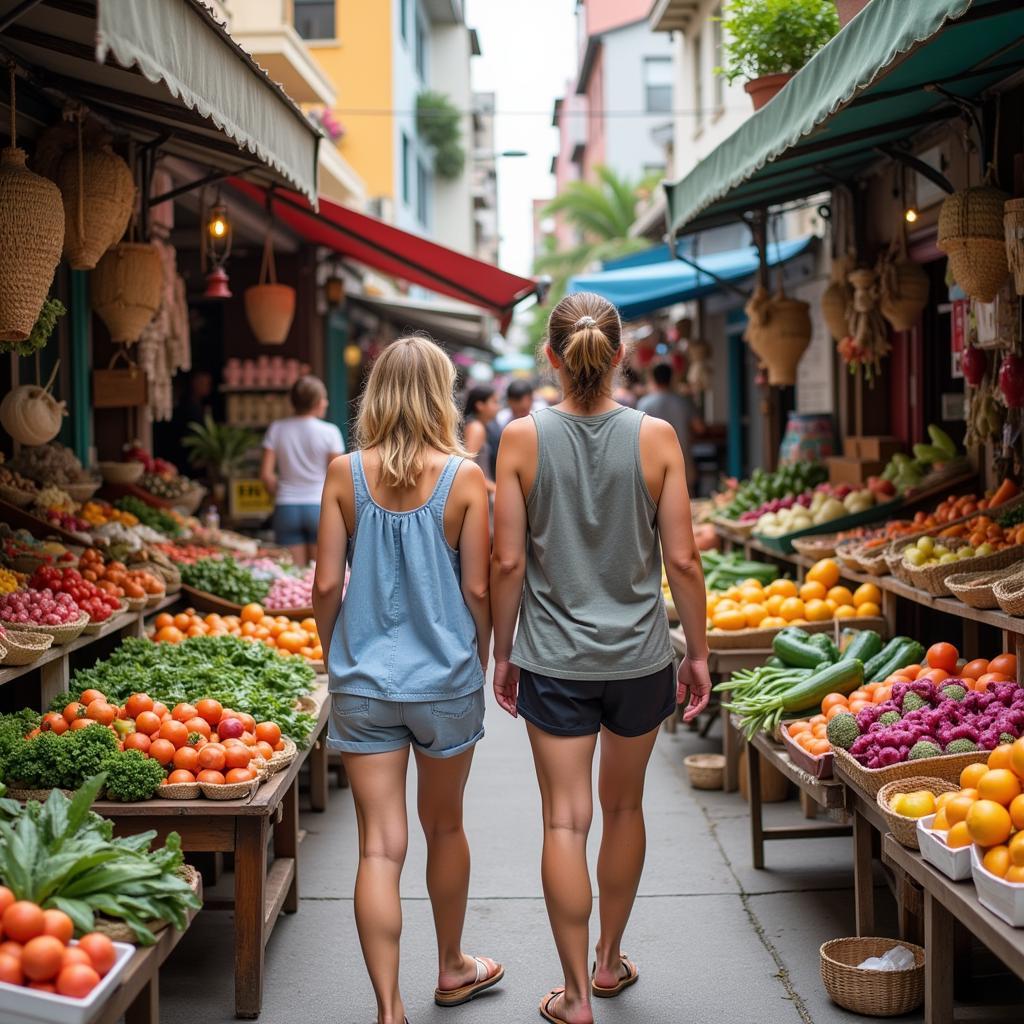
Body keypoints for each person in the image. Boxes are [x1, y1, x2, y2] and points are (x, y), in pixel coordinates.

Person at [490, 292, 711, 1024]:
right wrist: (699, 654)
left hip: (553, 661)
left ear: (552, 356)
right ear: (620, 355)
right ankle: (609, 962)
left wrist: (503, 650)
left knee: (564, 823)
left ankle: (576, 998)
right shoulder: (657, 438)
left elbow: (508, 562)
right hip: (641, 660)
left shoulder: (521, 438)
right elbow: (681, 558)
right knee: (624, 807)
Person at [313, 337, 502, 1024]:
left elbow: (328, 582)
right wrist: (482, 659)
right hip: (446, 681)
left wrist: (332, 651)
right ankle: (453, 968)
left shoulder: (343, 474)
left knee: (377, 846)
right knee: (445, 828)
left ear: (378, 392)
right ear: (441, 394)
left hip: (363, 682)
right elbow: (478, 587)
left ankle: (388, 1009)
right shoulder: (465, 477)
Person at [260, 375, 344, 566]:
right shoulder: (330, 432)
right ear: (316, 402)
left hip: (286, 507)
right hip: (320, 508)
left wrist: (281, 491)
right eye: (323, 398)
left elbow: (266, 475)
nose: (326, 402)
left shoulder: (277, 429)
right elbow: (340, 478)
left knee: (294, 578)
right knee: (318, 576)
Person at [637, 362, 701, 491]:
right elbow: (699, 428)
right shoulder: (684, 402)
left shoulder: (644, 404)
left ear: (653, 379)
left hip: (653, 464)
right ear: (671, 378)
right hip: (683, 460)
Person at [462, 385, 499, 498]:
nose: (498, 406)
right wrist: (493, 488)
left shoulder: (480, 426)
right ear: (480, 405)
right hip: (477, 494)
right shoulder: (476, 428)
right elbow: (468, 465)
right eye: (494, 402)